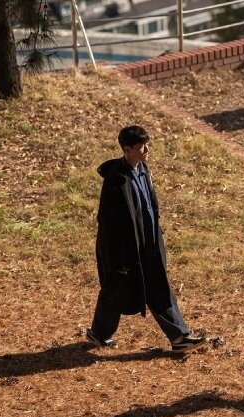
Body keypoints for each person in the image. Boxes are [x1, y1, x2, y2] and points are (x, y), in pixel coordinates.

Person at [86, 125, 206, 353]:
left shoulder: (144, 170)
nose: (146, 150)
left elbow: (151, 208)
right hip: (127, 252)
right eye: (141, 147)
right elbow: (108, 224)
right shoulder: (115, 181)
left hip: (150, 246)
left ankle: (179, 337)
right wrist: (116, 259)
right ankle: (99, 333)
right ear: (127, 149)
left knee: (160, 290)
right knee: (114, 290)